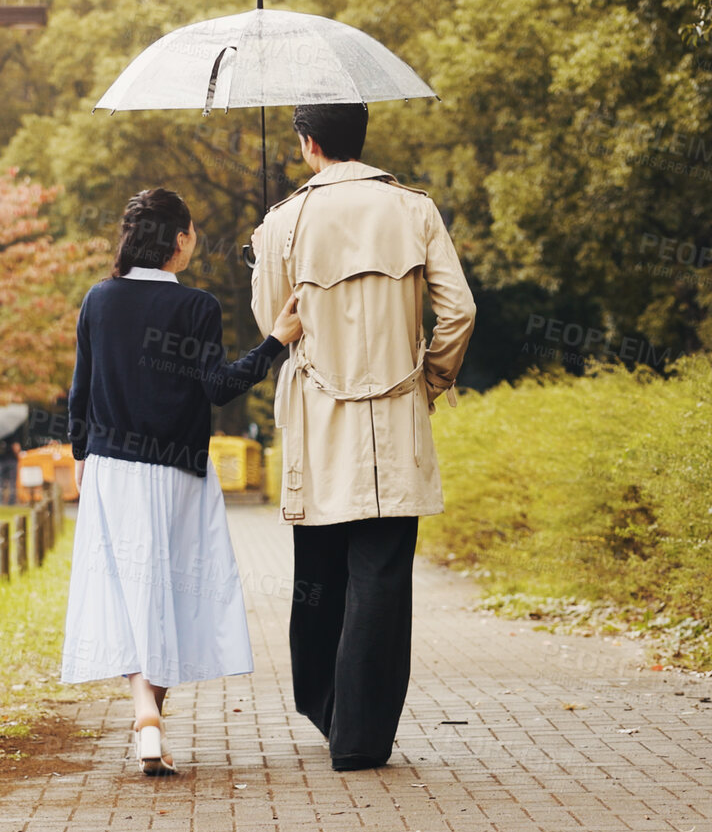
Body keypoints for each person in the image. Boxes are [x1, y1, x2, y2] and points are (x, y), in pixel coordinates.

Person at [249, 102, 477, 771]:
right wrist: (430, 379)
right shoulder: (415, 209)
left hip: (318, 423)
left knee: (317, 575)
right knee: (380, 576)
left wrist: (265, 250)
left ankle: (326, 709)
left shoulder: (283, 220)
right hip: (397, 416)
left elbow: (273, 323)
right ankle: (362, 735)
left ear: (308, 143)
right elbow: (459, 310)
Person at [63, 187, 303, 776]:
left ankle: (146, 715)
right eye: (191, 230)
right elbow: (218, 387)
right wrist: (276, 341)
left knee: (128, 591)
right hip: (178, 474)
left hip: (112, 468)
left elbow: (80, 388)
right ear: (179, 240)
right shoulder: (197, 306)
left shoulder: (98, 300)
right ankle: (151, 718)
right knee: (167, 594)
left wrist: (79, 453)